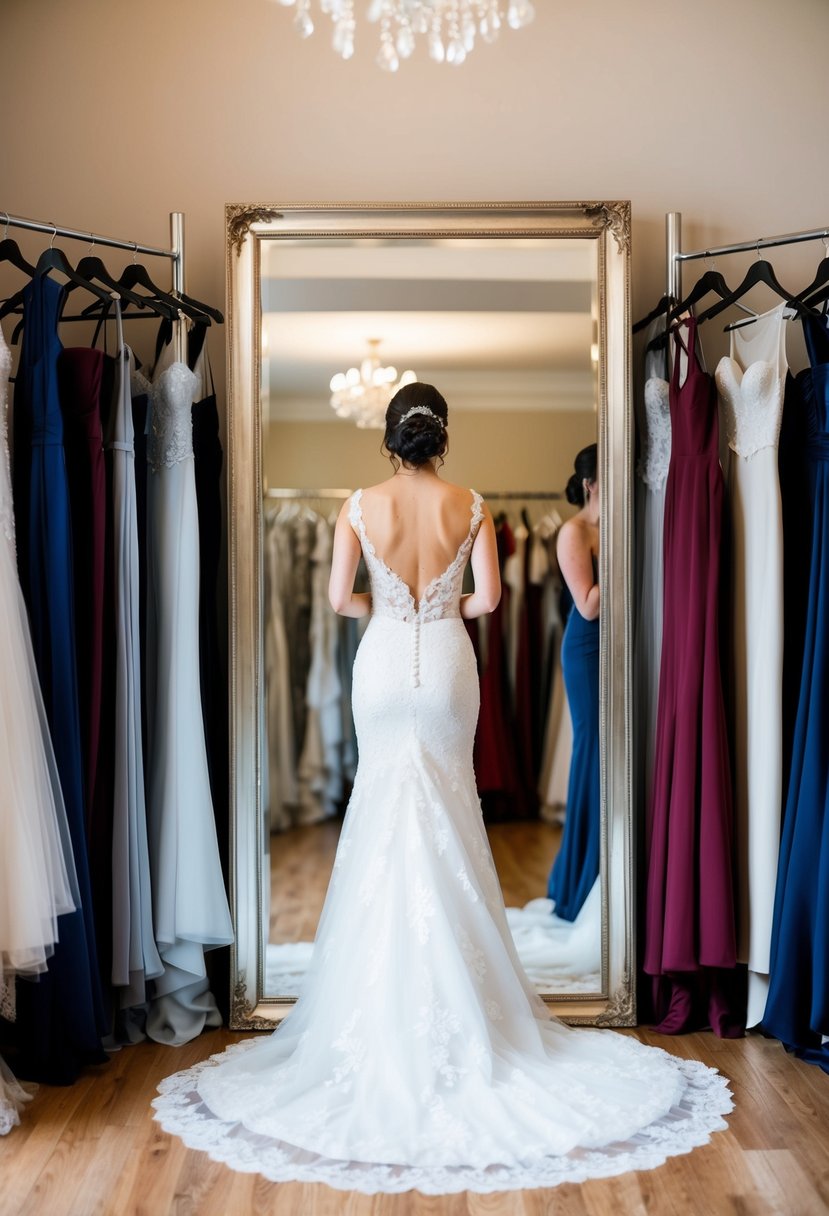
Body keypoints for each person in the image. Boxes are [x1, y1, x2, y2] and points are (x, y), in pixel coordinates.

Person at [152, 384, 732, 1194]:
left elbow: (335, 600)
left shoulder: (358, 504)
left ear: (390, 441)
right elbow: (490, 601)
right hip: (449, 667)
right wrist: (440, 606)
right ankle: (467, 997)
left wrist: (390, 610)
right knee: (451, 815)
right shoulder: (471, 504)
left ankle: (375, 998)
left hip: (385, 663)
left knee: (384, 813)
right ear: (442, 439)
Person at [547, 444, 601, 922]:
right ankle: (579, 879)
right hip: (587, 649)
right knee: (593, 749)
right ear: (590, 485)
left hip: (620, 645)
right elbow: (588, 603)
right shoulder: (573, 531)